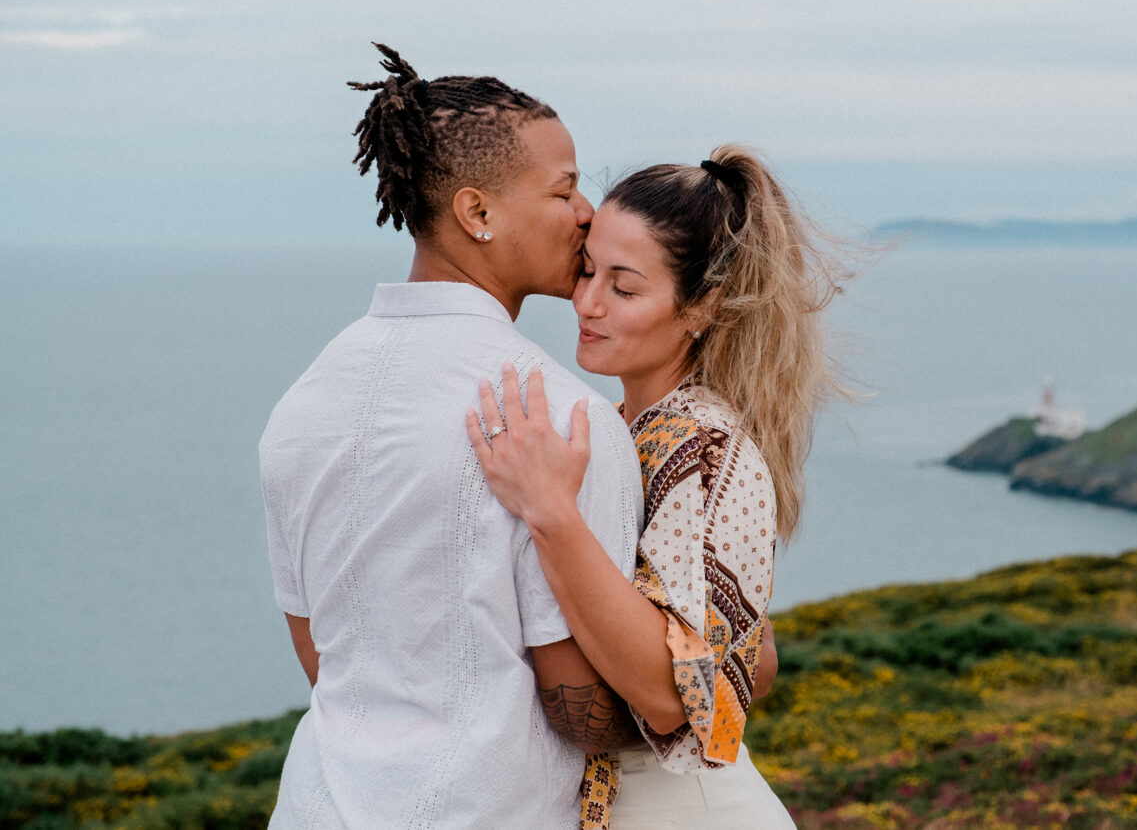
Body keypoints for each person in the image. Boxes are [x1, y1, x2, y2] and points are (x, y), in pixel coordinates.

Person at [258, 44, 645, 828]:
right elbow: (584, 709)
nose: (587, 213)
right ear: (478, 213)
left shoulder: (299, 405)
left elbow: (321, 658)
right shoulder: (561, 418)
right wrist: (709, 673)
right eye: (565, 189)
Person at [468, 146, 845, 828]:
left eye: (624, 285)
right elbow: (756, 658)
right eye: (586, 272)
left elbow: (676, 698)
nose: (587, 301)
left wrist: (551, 512)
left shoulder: (704, 445)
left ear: (701, 307)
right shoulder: (627, 429)